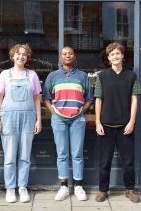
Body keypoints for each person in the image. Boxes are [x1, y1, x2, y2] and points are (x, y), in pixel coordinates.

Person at [42, 46, 93, 201]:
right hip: (59, 120)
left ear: (74, 56)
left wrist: (82, 111)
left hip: (77, 119)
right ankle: (64, 186)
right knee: (62, 154)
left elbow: (89, 99)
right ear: (60, 57)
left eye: (70, 53)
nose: (67, 56)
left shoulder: (83, 76)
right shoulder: (53, 76)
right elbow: (46, 98)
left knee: (77, 154)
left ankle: (78, 186)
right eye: (64, 54)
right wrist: (54, 112)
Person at [0, 44, 42, 203]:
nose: (21, 57)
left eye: (24, 54)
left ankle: (22, 187)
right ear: (12, 56)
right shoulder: (5, 75)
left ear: (27, 58)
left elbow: (36, 98)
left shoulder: (32, 75)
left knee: (24, 156)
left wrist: (39, 120)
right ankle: (10, 188)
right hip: (8, 118)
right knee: (9, 156)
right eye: (18, 54)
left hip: (28, 117)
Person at [94, 42, 141, 203]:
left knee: (128, 161)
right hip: (106, 125)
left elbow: (134, 100)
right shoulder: (102, 76)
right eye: (112, 54)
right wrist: (98, 122)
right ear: (108, 58)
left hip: (125, 125)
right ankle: (103, 190)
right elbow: (98, 100)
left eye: (118, 53)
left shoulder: (131, 76)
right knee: (104, 161)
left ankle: (130, 190)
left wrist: (132, 121)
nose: (115, 56)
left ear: (122, 56)